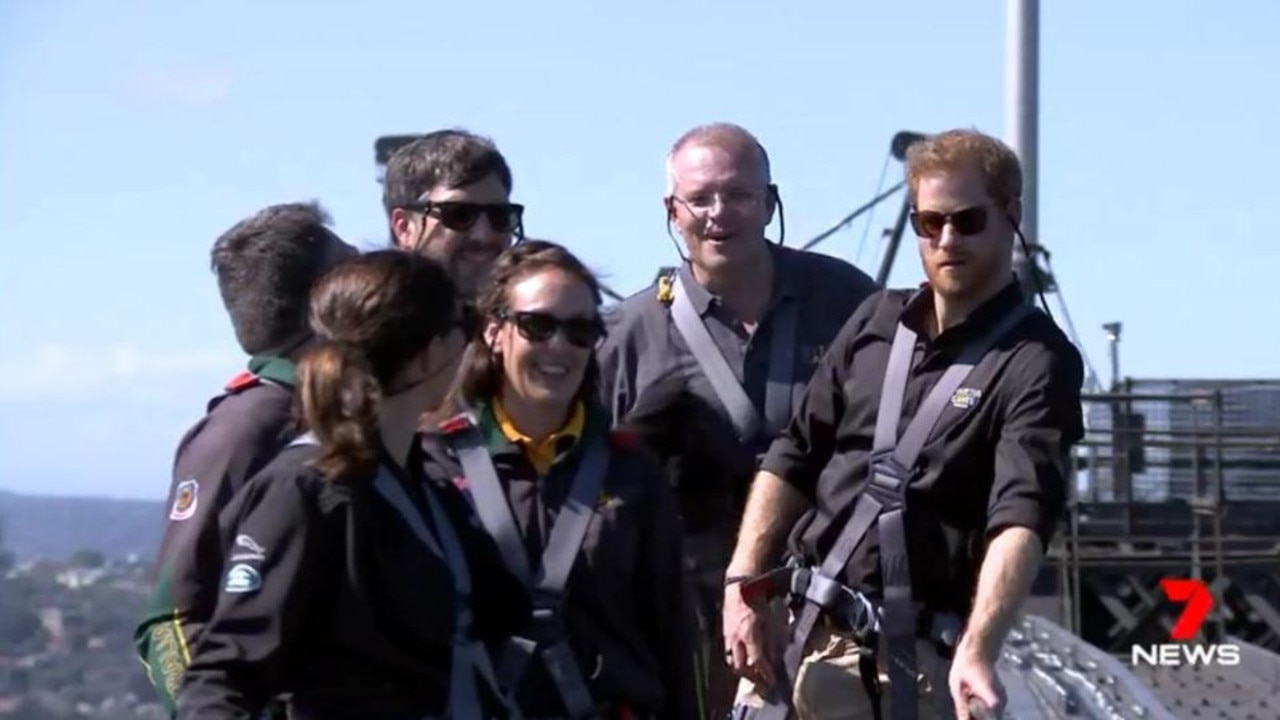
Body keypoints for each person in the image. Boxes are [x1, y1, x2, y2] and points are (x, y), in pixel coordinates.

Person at [720, 129, 1086, 720]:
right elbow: (794, 454)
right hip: (795, 643)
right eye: (929, 222)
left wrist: (979, 649)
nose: (946, 240)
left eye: (967, 221)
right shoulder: (877, 319)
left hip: (904, 669)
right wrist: (743, 584)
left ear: (1010, 215)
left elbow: (1022, 513)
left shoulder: (1037, 359)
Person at [596, 122, 880, 717]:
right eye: (699, 199)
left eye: (739, 195)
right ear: (672, 211)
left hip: (832, 605)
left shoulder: (847, 301)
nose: (718, 214)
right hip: (689, 615)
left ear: (770, 203)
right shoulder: (627, 335)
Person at [176, 250, 531, 720]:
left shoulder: (426, 483)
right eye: (462, 325)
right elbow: (224, 676)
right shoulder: (303, 491)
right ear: (428, 354)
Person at [421, 240, 700, 719]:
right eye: (538, 325)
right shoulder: (433, 465)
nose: (559, 346)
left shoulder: (632, 473)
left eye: (580, 330)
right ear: (494, 331)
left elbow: (672, 638)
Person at [134, 201, 357, 712]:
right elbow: (169, 622)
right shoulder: (245, 430)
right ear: (324, 304)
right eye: (355, 268)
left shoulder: (374, 415)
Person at [383, 128, 524, 299]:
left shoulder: (545, 318)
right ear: (404, 228)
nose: (484, 235)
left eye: (499, 216)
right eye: (459, 214)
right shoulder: (364, 323)